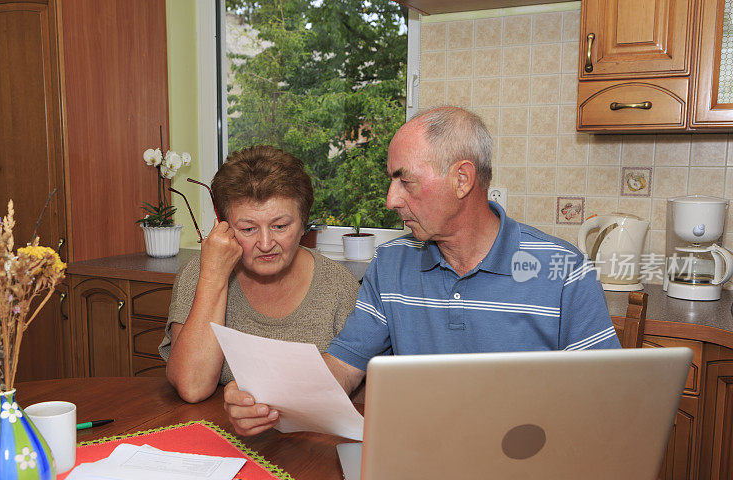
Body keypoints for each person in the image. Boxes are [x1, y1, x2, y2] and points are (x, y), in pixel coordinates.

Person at [224, 106, 621, 436]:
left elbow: (606, 402)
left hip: (524, 461)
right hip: (418, 459)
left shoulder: (564, 270)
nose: (390, 199)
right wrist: (264, 398)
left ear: (462, 179)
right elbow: (343, 369)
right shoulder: (391, 263)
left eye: (405, 181)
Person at [160, 145, 360, 408]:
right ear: (224, 227)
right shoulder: (200, 273)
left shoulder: (340, 286)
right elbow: (192, 386)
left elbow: (362, 397)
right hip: (223, 433)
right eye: (248, 228)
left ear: (303, 223)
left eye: (280, 226)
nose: (266, 244)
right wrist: (213, 277)